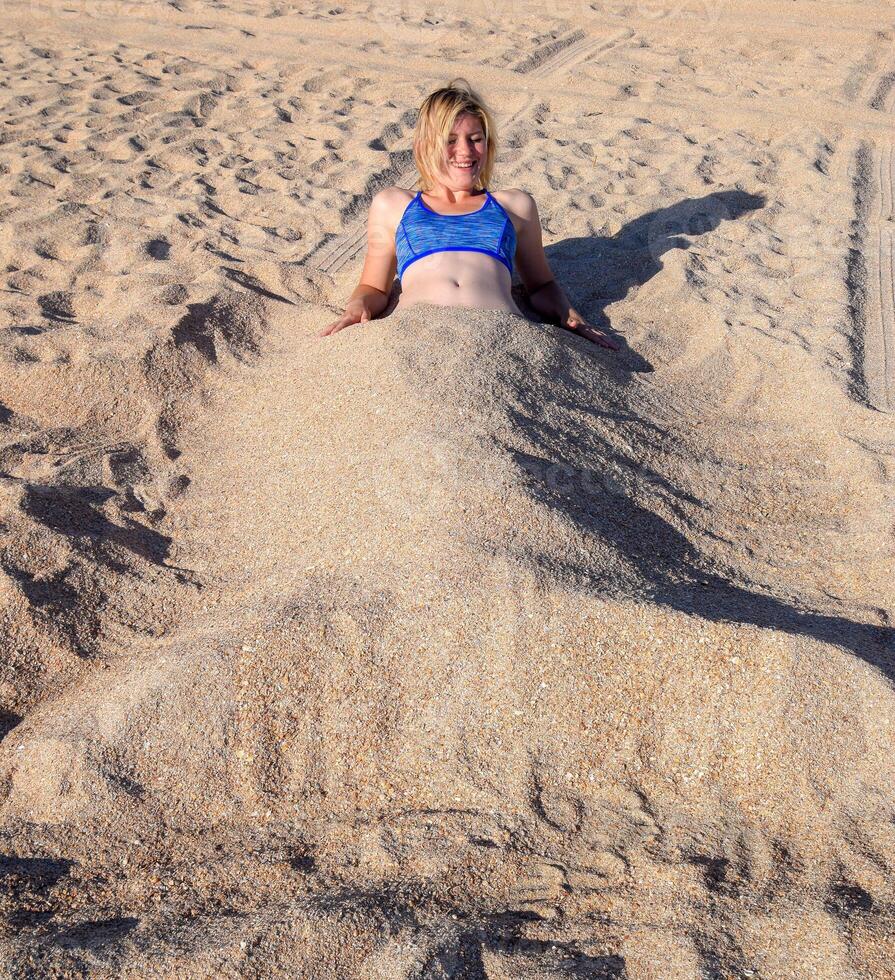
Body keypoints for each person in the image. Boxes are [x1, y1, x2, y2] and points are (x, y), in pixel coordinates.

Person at [318, 79, 619, 350]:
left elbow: (540, 286)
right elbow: (374, 287)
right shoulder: (393, 204)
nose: (465, 151)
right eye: (449, 140)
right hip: (417, 341)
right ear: (424, 147)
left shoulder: (515, 206)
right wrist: (357, 305)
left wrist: (567, 312)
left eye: (475, 139)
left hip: (503, 342)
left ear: (488, 145)